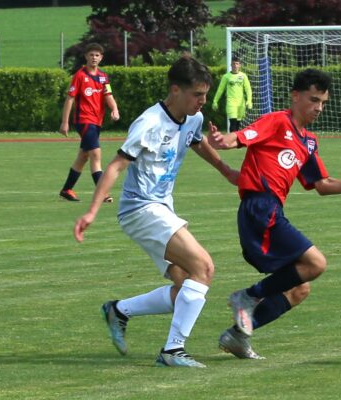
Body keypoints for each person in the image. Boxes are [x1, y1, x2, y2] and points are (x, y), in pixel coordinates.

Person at [73, 55, 239, 368]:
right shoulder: (149, 123)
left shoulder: (192, 118)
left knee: (186, 286)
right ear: (175, 90)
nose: (203, 101)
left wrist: (226, 169)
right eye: (197, 95)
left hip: (162, 207)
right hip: (140, 208)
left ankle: (118, 310)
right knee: (204, 267)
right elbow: (116, 166)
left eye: (205, 95)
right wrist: (92, 212)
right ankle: (172, 351)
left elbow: (197, 142)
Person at [208, 68, 341, 360]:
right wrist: (224, 141)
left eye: (323, 102)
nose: (319, 107)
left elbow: (322, 185)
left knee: (300, 288)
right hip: (259, 208)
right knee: (316, 263)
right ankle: (247, 297)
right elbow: (243, 136)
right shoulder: (277, 121)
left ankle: (237, 337)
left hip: (271, 211)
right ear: (296, 96)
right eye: (314, 100)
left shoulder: (308, 141)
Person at [59, 42, 120, 202]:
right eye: (91, 54)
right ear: (86, 56)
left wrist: (115, 109)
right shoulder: (80, 76)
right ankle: (102, 192)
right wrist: (65, 122)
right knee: (95, 153)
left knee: (84, 156)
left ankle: (67, 189)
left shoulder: (103, 77)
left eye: (97, 55)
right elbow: (70, 99)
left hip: (96, 121)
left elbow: (108, 95)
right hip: (84, 120)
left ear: (101, 58)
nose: (94, 57)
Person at [212, 56, 252, 132]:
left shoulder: (243, 76)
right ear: (231, 64)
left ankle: (235, 142)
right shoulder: (226, 77)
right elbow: (220, 90)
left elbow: (248, 89)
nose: (235, 66)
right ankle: (231, 142)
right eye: (233, 64)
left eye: (237, 64)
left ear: (240, 65)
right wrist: (215, 101)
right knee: (233, 123)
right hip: (231, 102)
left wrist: (249, 100)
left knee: (237, 124)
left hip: (241, 103)